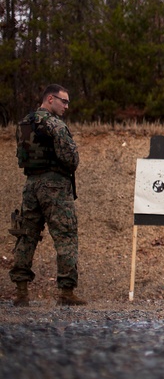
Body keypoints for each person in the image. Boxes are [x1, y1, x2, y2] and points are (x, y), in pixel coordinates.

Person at [10, 85, 85, 306]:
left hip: (31, 185)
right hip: (55, 186)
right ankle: (66, 292)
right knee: (66, 236)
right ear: (50, 99)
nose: (67, 106)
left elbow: (20, 156)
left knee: (27, 236)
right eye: (64, 101)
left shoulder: (24, 123)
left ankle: (21, 291)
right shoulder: (55, 125)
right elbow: (71, 159)